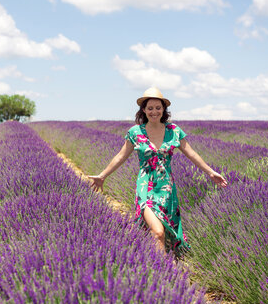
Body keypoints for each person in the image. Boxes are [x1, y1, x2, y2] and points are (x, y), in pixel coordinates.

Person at [88, 87, 228, 254]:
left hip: (166, 188)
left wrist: (211, 172)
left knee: (164, 231)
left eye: (158, 107)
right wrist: (102, 176)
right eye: (150, 108)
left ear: (163, 110)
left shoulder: (173, 131)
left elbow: (191, 153)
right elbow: (120, 156)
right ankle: (161, 271)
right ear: (144, 110)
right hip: (145, 186)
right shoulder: (135, 132)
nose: (154, 111)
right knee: (158, 231)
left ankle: (154, 261)